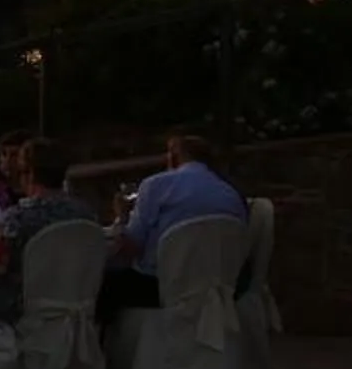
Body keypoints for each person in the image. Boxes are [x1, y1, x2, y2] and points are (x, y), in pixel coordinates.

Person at [100, 128, 248, 323]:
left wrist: (122, 217)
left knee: (100, 283)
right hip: (217, 289)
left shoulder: (156, 185)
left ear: (174, 157)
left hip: (159, 288)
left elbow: (131, 248)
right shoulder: (232, 194)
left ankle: (111, 350)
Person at [0, 137, 95, 325]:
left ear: (29, 174)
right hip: (74, 306)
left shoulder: (19, 218)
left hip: (24, 310)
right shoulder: (85, 214)